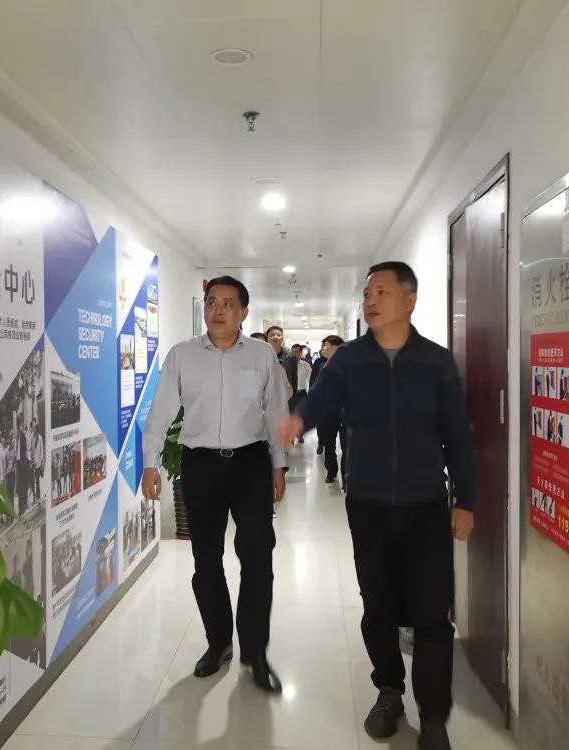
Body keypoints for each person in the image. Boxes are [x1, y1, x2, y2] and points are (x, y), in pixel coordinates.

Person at [278, 261, 476, 750]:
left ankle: (433, 715)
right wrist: (299, 419)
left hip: (426, 503)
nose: (370, 301)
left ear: (409, 300)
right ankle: (389, 690)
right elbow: (321, 401)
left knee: (432, 612)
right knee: (378, 606)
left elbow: (457, 435)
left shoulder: (436, 362)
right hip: (367, 503)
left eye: (381, 292)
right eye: (367, 293)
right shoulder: (348, 361)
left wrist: (466, 500)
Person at [143, 276, 289, 693]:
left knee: (257, 559)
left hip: (250, 465)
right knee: (206, 560)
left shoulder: (262, 355)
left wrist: (278, 465)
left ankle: (256, 653)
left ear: (243, 312)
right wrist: (150, 464)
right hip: (201, 465)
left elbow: (275, 411)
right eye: (211, 302)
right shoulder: (182, 355)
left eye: (227, 303)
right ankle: (219, 642)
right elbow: (160, 411)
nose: (218, 310)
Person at [314, 335, 347, 486]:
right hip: (327, 412)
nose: (323, 348)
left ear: (336, 347)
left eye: (326, 345)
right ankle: (331, 472)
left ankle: (346, 478)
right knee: (329, 444)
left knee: (347, 446)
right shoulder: (321, 365)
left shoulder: (350, 365)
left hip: (346, 412)